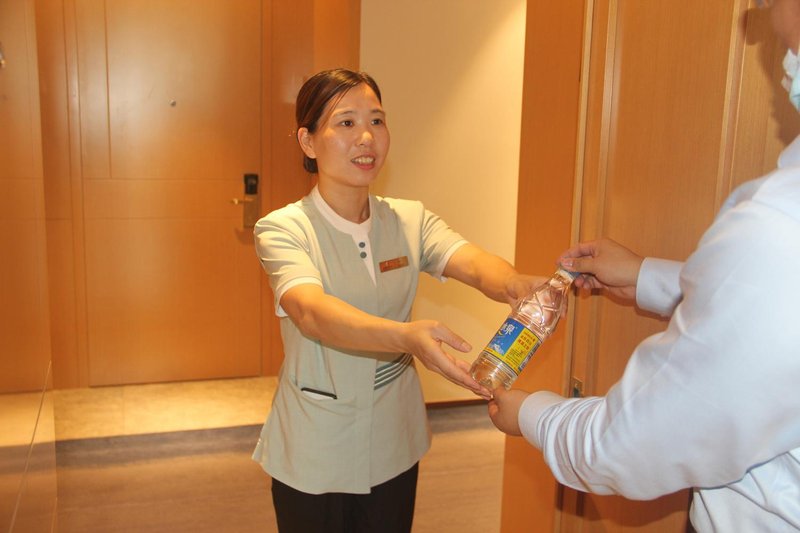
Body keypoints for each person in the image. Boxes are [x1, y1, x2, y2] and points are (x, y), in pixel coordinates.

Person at [488, 0, 800, 530]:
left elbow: (629, 444)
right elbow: (763, 313)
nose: (763, 16)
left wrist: (533, 414)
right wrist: (645, 276)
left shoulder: (778, 228)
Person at [252, 68, 538, 533]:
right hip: (316, 442)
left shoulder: (408, 219)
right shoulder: (284, 229)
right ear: (308, 141)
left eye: (377, 121)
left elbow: (470, 261)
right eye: (346, 123)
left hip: (393, 437)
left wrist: (514, 284)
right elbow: (310, 311)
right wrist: (405, 337)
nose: (366, 137)